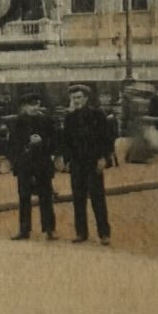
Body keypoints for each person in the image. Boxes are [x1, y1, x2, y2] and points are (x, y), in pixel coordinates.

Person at [62, 85, 113, 245]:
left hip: (93, 163)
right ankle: (81, 232)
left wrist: (103, 158)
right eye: (73, 98)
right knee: (78, 199)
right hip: (77, 163)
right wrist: (67, 160)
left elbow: (107, 138)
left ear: (85, 98)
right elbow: (67, 142)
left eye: (78, 97)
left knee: (97, 198)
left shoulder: (98, 115)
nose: (76, 101)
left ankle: (104, 233)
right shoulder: (69, 118)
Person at [9, 95, 58, 240]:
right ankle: (24, 229)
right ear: (24, 107)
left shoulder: (46, 121)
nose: (35, 108)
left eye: (37, 104)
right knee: (24, 197)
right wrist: (26, 143)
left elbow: (55, 141)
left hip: (42, 165)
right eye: (31, 105)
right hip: (25, 165)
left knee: (46, 197)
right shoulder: (18, 122)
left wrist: (43, 142)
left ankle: (50, 229)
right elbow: (12, 144)